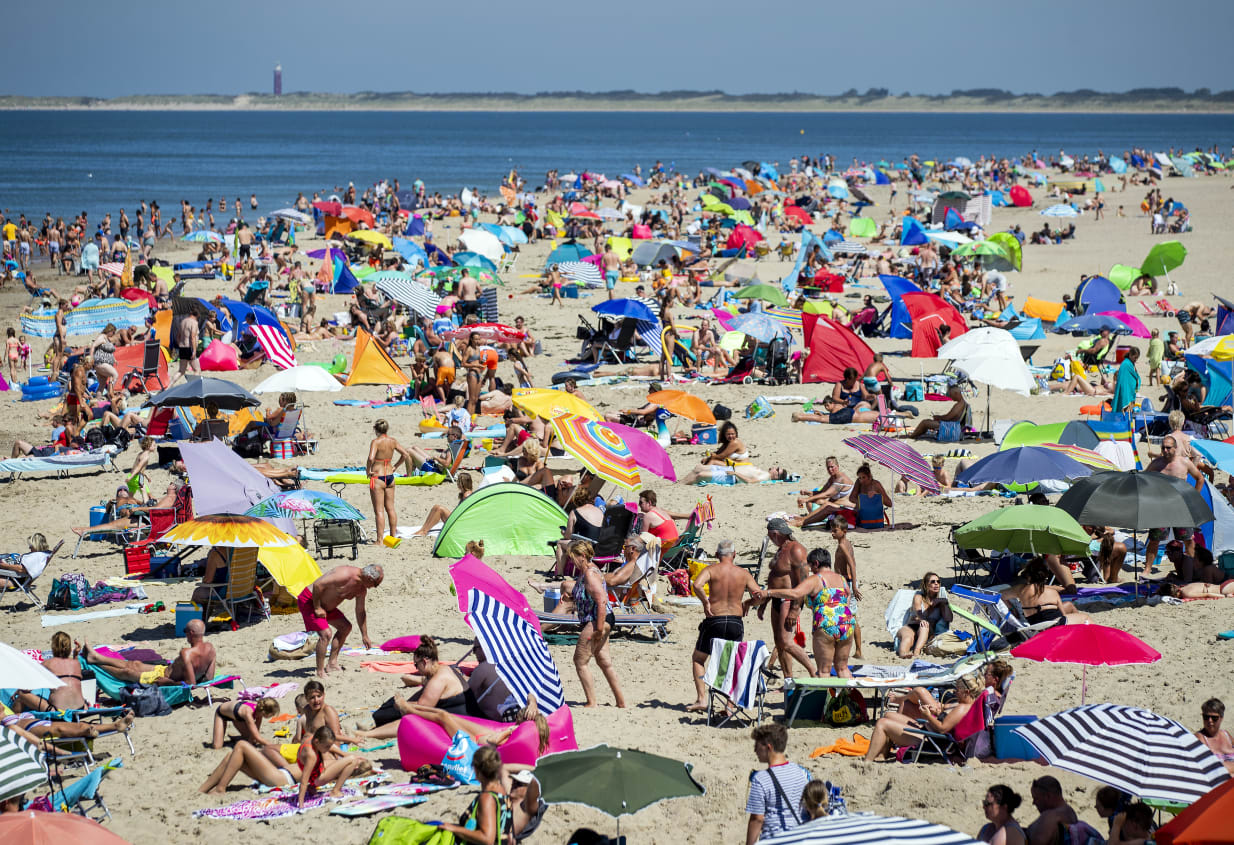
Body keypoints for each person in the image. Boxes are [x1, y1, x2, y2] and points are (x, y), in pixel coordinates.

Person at [757, 547, 855, 679]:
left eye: (811, 567)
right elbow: (847, 596)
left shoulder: (816, 579)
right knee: (842, 668)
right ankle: (848, 699)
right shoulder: (841, 579)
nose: (809, 570)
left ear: (816, 563)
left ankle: (823, 699)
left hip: (826, 623)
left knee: (824, 671)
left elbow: (795, 593)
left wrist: (769, 592)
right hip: (846, 622)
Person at [687, 539, 759, 712]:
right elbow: (760, 595)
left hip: (715, 619)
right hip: (735, 621)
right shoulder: (743, 573)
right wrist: (748, 603)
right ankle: (729, 705)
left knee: (698, 659)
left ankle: (702, 699)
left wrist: (705, 601)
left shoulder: (711, 569)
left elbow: (696, 585)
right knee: (733, 662)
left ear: (717, 555)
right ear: (734, 554)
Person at [354, 637, 470, 740]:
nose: (416, 669)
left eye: (416, 665)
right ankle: (374, 723)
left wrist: (404, 705)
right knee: (395, 704)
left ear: (424, 661)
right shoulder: (445, 669)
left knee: (410, 720)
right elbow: (423, 694)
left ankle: (368, 734)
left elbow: (419, 711)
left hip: (458, 721)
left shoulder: (437, 680)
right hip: (461, 714)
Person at [863, 674, 983, 762]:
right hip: (928, 731)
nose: (955, 692)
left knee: (882, 723)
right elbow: (946, 714)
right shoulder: (963, 705)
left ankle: (867, 762)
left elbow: (942, 728)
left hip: (930, 740)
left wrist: (928, 716)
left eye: (958, 690)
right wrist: (937, 711)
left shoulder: (961, 708)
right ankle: (883, 754)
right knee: (888, 715)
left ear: (966, 692)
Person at [565, 540, 626, 708]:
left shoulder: (590, 574)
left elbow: (601, 600)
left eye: (573, 558)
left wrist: (598, 629)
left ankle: (592, 702)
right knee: (604, 661)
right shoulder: (586, 572)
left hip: (598, 619)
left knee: (580, 661)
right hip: (603, 618)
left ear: (582, 556)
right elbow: (589, 595)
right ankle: (621, 702)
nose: (571, 561)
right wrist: (571, 598)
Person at [298, 564, 384, 677]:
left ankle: (332, 664)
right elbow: (317, 585)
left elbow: (360, 611)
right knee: (326, 634)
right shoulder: (344, 574)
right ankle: (320, 671)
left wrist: (365, 635)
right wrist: (317, 608)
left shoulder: (361, 589)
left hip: (327, 607)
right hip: (310, 601)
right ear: (369, 578)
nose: (374, 587)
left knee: (346, 627)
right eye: (376, 584)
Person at [757, 518, 816, 679]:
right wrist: (764, 603)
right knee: (779, 643)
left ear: (775, 534)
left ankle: (813, 672)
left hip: (789, 600)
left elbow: (802, 581)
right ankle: (788, 679)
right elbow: (775, 578)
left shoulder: (796, 550)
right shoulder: (780, 549)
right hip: (775, 598)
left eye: (770, 535)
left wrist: (795, 610)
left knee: (786, 642)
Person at [82, 619, 215, 685]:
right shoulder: (211, 649)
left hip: (162, 678)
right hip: (163, 670)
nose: (185, 634)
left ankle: (97, 665)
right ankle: (96, 657)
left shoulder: (187, 653)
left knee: (127, 672)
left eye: (185, 631)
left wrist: (168, 683)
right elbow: (209, 678)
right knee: (134, 664)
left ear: (191, 633)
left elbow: (190, 684)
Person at [1143, 435, 1205, 564]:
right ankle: (1147, 569)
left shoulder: (1184, 462)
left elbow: (1200, 479)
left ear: (1175, 448)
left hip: (1181, 506)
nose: (1165, 450)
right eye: (1163, 447)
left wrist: (1194, 498)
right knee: (1154, 539)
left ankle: (1194, 567)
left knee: (1187, 539)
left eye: (1168, 448)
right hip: (1161, 507)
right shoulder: (1157, 463)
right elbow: (1143, 478)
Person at [745, 723, 811, 844]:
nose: (755, 750)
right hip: (800, 838)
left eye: (757, 745)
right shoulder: (801, 772)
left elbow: (757, 819)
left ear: (768, 747)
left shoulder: (761, 779)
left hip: (774, 839)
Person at [435, 746, 514, 845]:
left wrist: (453, 828)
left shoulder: (487, 798)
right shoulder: (503, 792)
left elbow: (487, 839)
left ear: (477, 770)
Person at [366, 419, 414, 542]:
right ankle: (393, 537)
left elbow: (371, 458)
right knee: (391, 509)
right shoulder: (393, 441)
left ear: (375, 429)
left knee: (379, 511)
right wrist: (396, 466)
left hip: (378, 476)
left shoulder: (376, 442)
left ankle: (380, 540)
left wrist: (368, 470)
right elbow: (405, 454)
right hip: (390, 476)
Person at [828, 517, 863, 657]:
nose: (832, 533)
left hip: (847, 584)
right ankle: (856, 650)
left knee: (850, 617)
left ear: (844, 531)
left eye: (835, 531)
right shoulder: (845, 542)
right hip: (845, 583)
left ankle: (858, 650)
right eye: (831, 530)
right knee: (849, 616)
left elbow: (852, 566)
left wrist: (853, 586)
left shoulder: (843, 545)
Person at [895, 571, 951, 659]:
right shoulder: (918, 597)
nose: (936, 584)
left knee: (924, 626)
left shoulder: (941, 602)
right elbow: (918, 610)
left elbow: (948, 619)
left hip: (927, 631)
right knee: (907, 638)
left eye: (938, 582)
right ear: (926, 585)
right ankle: (903, 654)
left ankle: (916, 652)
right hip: (911, 626)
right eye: (933, 582)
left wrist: (945, 604)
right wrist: (921, 619)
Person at [412, 472, 474, 537]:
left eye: (459, 481)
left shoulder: (467, 495)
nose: (457, 483)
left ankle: (424, 531)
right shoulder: (466, 493)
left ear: (463, 483)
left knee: (439, 509)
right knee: (436, 507)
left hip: (460, 524)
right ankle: (422, 529)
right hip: (458, 521)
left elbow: (464, 513)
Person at [1026, 776, 1078, 845]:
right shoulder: (1070, 813)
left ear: (1048, 796)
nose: (1034, 803)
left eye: (1036, 798)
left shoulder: (1050, 817)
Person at [211, 697, 279, 749]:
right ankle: (237, 738)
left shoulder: (259, 712)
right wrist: (273, 746)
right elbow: (257, 737)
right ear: (265, 712)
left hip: (237, 718)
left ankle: (236, 738)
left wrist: (250, 745)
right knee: (217, 746)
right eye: (272, 714)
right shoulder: (248, 712)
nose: (272, 715)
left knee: (252, 740)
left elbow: (256, 731)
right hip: (221, 713)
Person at [1195, 697, 1234, 773]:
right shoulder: (1199, 739)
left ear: (1221, 718)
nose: (1210, 721)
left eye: (1214, 718)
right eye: (1206, 717)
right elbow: (1208, 769)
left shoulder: (1226, 734)